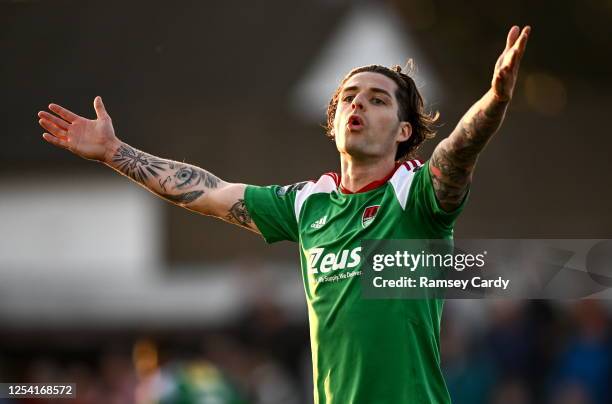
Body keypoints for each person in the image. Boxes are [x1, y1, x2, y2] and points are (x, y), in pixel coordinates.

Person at [38, 25, 530, 404]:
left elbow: (459, 149)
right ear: (335, 120)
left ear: (403, 131)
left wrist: (495, 100)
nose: (358, 104)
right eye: (350, 98)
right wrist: (113, 151)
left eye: (377, 99)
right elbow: (206, 191)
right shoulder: (307, 204)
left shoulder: (416, 197)